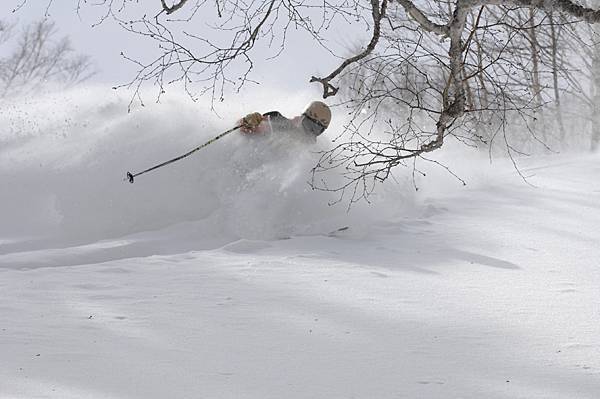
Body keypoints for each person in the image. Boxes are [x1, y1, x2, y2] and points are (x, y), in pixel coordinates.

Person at [238, 101, 331, 143]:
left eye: (317, 129)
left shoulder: (312, 151)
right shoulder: (280, 124)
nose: (310, 131)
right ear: (303, 119)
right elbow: (242, 129)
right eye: (309, 125)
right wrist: (247, 121)